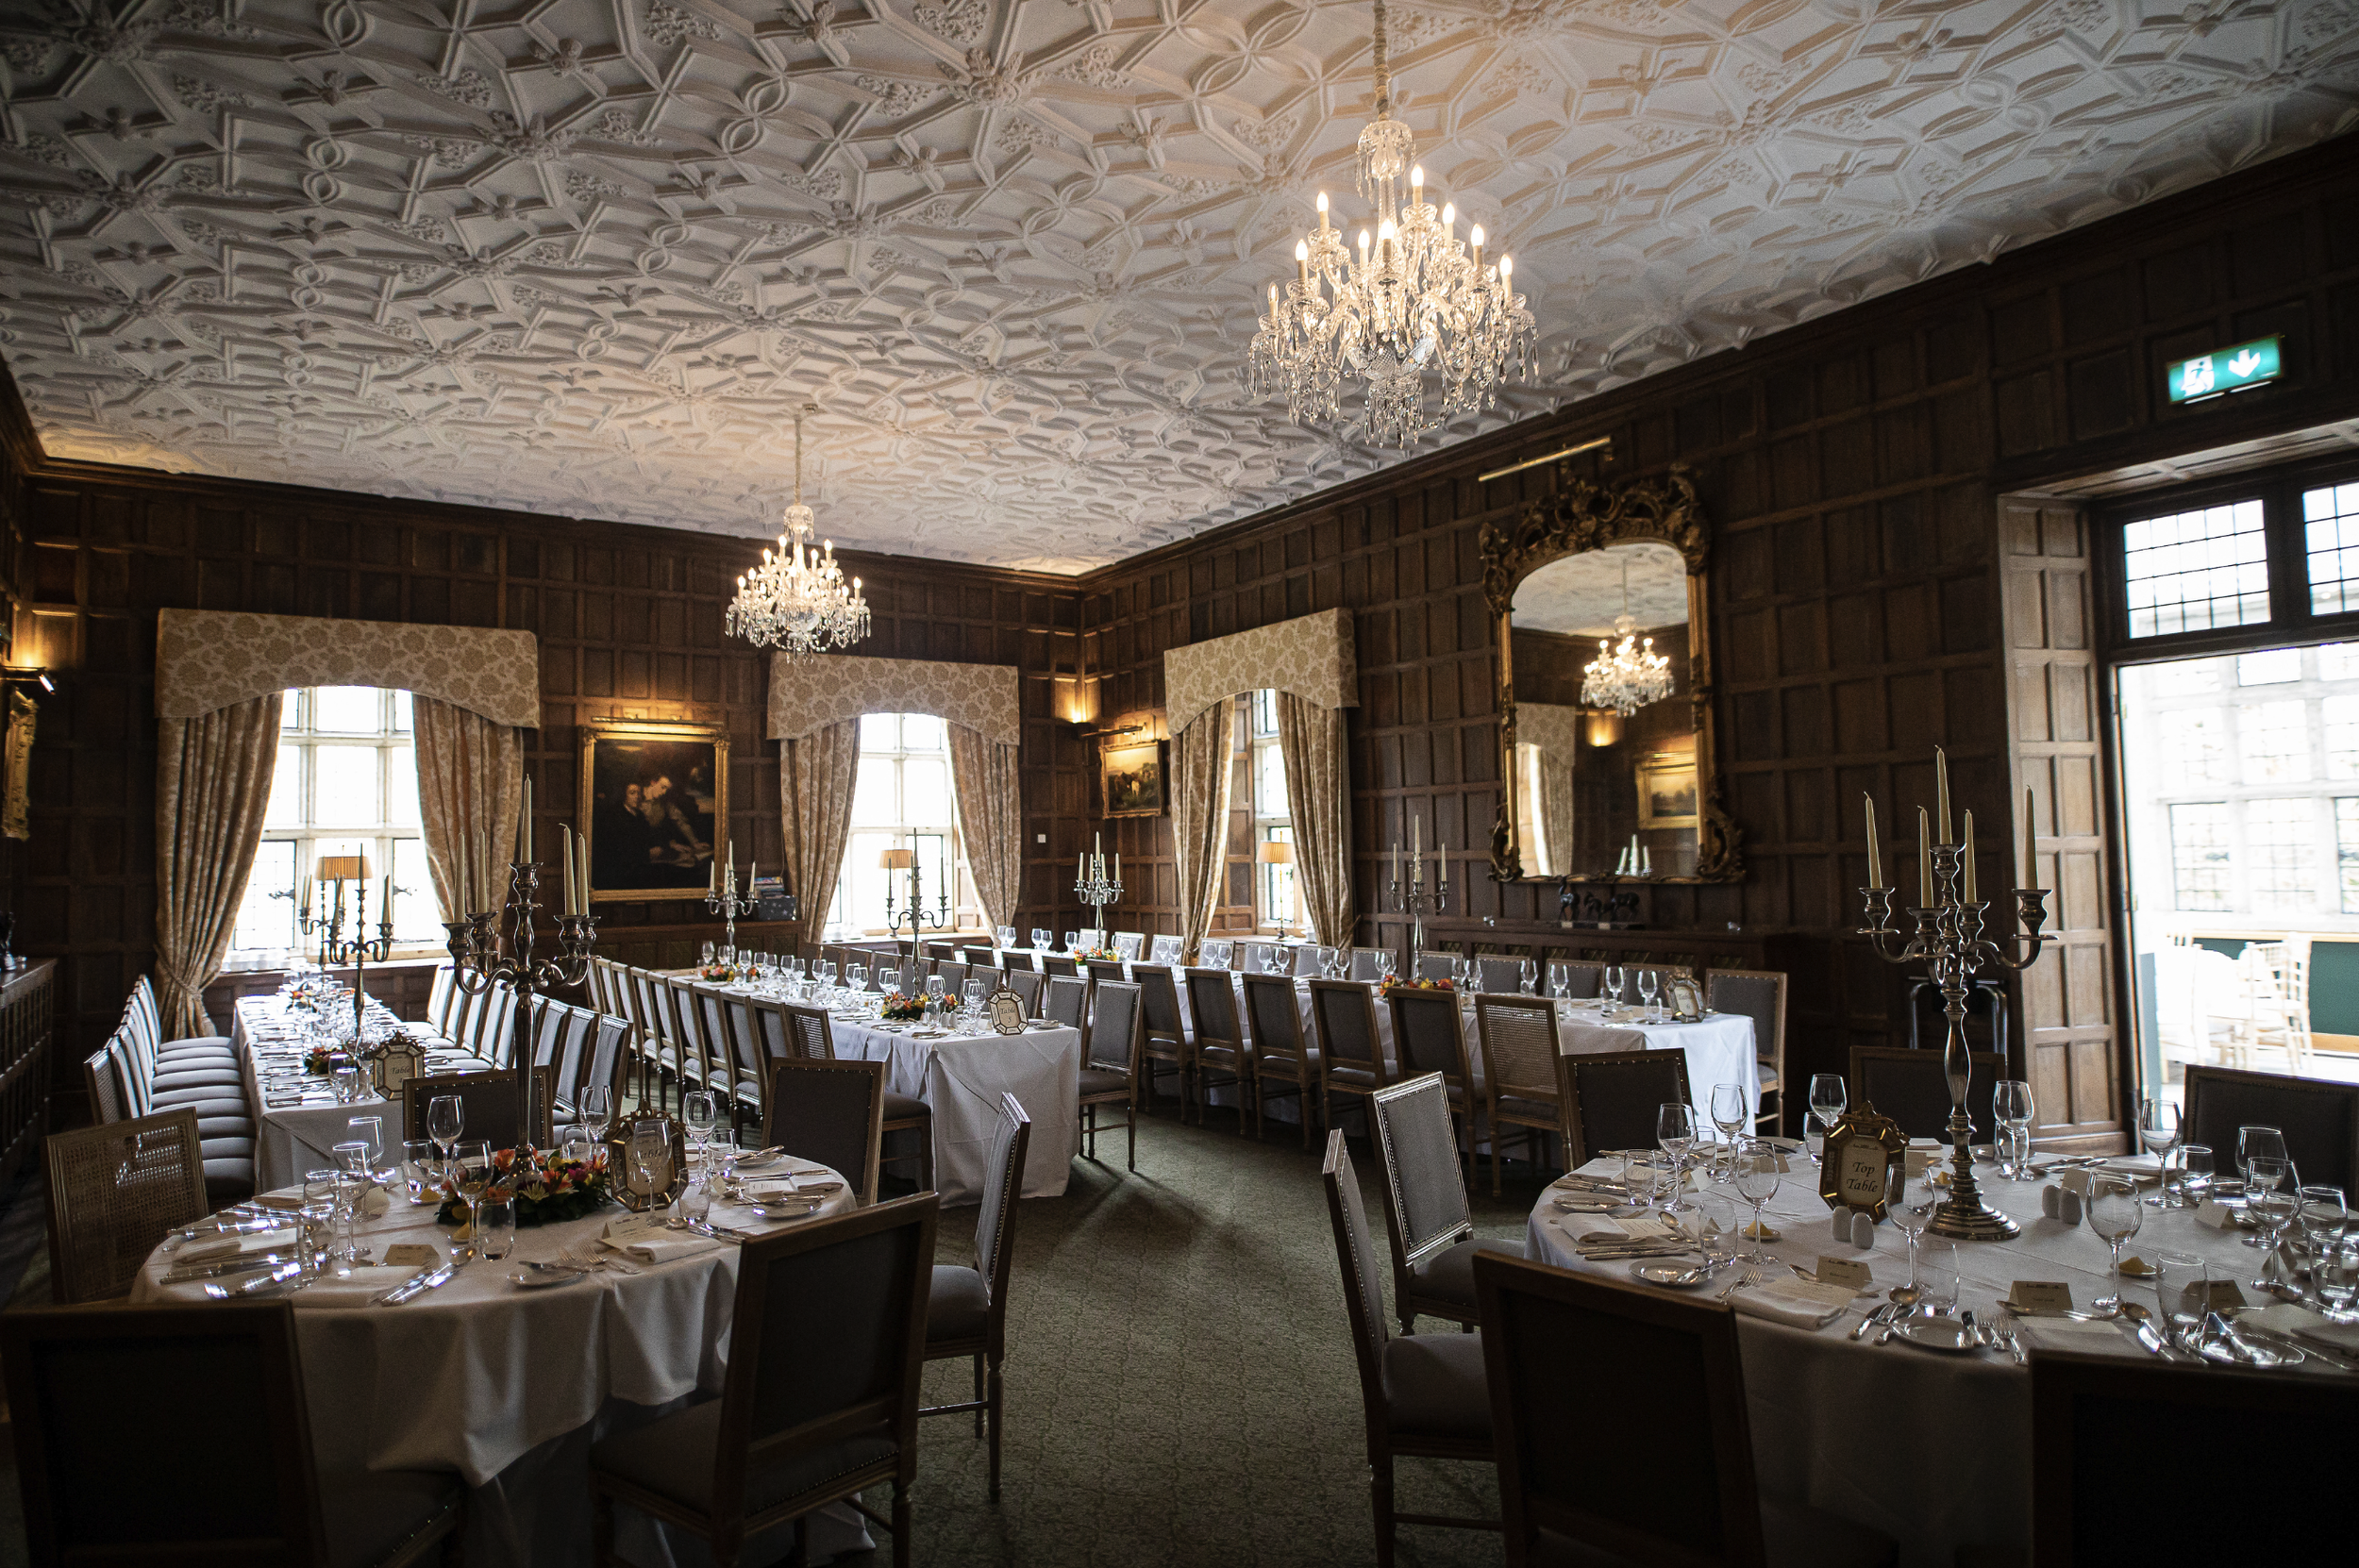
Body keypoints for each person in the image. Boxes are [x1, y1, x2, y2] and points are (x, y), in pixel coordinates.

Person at [636, 771, 711, 878]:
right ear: (653, 782)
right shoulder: (637, 799)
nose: (664, 791)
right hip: (641, 849)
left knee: (691, 860)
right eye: (662, 787)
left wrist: (695, 842)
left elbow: (680, 821)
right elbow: (638, 831)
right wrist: (669, 845)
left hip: (660, 846)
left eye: (667, 789)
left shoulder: (664, 802)